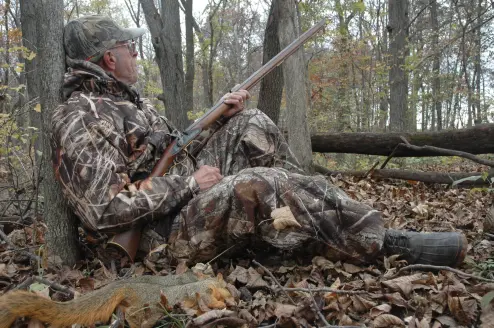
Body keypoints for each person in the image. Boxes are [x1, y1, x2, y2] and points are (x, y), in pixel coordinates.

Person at [52, 15, 467, 268]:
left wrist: (219, 119)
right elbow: (103, 210)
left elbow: (174, 151)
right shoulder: (81, 116)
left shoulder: (126, 104)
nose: (136, 55)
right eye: (130, 48)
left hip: (176, 204)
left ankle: (301, 222)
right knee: (261, 181)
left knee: (251, 122)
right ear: (109, 57)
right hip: (155, 236)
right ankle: (385, 243)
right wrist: (190, 185)